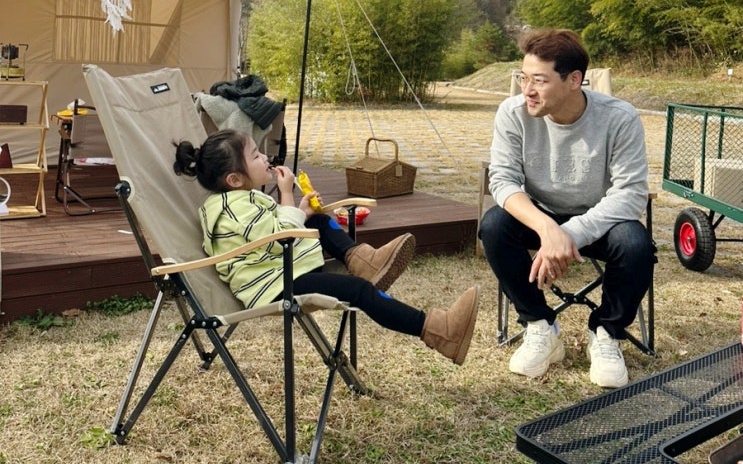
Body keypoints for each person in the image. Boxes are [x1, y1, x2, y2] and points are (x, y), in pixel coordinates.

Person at [173, 129, 480, 365]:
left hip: (283, 269)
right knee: (359, 291)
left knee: (317, 220)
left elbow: (274, 232)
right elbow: (281, 239)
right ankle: (439, 331)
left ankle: (364, 261)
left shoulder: (238, 200)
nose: (265, 158)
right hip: (275, 285)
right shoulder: (233, 207)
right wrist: (287, 195)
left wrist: (301, 212)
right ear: (234, 179)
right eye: (255, 156)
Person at [479, 28, 654, 387]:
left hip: (600, 220)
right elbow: (503, 182)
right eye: (523, 78)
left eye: (539, 81)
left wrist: (568, 233)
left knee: (636, 244)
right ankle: (540, 325)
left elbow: (630, 194)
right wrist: (547, 229)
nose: (527, 90)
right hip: (541, 215)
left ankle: (606, 333)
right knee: (494, 225)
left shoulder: (619, 117)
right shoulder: (513, 112)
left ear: (574, 80)